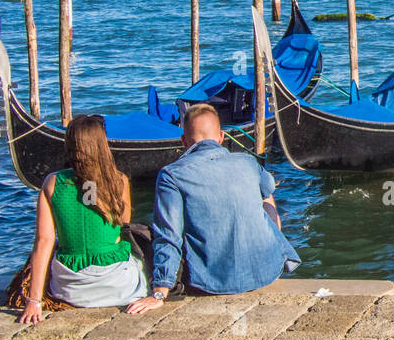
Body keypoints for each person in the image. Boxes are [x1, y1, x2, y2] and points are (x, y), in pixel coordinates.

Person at [126, 103, 299, 314]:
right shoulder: (248, 161)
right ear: (221, 137)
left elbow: (168, 235)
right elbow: (268, 187)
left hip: (211, 281)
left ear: (184, 142)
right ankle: (270, 258)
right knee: (267, 196)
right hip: (266, 272)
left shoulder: (172, 175)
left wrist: (160, 292)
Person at [21, 115, 147, 324]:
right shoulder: (119, 180)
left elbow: (44, 242)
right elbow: (122, 224)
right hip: (118, 286)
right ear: (102, 144)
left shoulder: (52, 183)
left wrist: (34, 301)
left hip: (70, 288)